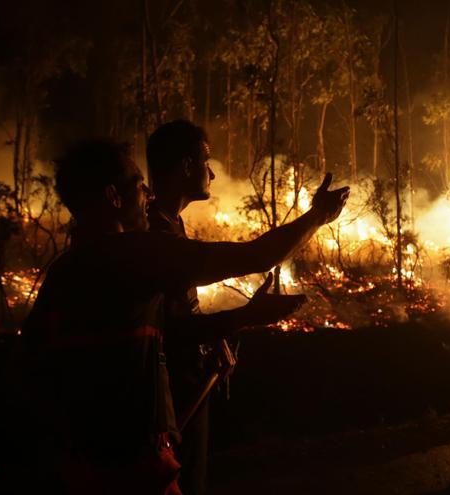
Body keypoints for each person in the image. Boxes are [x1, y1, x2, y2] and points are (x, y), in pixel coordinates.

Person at [19, 138, 349, 494]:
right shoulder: (136, 254)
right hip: (135, 463)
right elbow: (256, 257)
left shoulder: (64, 271)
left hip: (80, 462)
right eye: (136, 183)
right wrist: (318, 216)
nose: (147, 192)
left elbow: (33, 365)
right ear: (113, 196)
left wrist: (241, 318)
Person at [145, 120, 252, 494]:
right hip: (170, 395)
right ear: (186, 167)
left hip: (187, 383)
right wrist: (241, 318)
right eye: (206, 161)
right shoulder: (154, 234)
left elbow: (177, 308)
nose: (212, 173)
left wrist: (211, 340)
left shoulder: (170, 224)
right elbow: (168, 327)